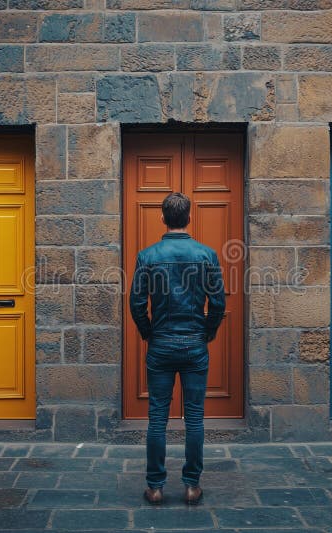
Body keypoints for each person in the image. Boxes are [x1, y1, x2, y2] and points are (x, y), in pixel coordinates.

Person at [129, 192, 226, 506]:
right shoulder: (206, 255)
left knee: (157, 417)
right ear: (189, 218)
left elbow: (136, 303)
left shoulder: (147, 256)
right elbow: (218, 303)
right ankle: (191, 486)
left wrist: (149, 334)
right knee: (194, 417)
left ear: (162, 218)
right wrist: (207, 333)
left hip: (161, 345)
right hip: (194, 345)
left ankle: (155, 487)